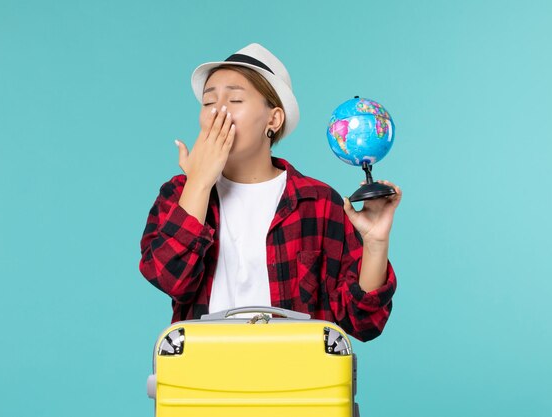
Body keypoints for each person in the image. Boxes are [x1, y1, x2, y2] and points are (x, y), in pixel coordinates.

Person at [139, 43, 402, 342]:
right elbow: (168, 278)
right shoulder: (178, 193)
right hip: (204, 378)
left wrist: (376, 243)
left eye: (235, 99)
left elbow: (362, 322)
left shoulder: (318, 203)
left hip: (296, 381)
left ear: (273, 120)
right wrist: (198, 182)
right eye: (208, 103)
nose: (218, 113)